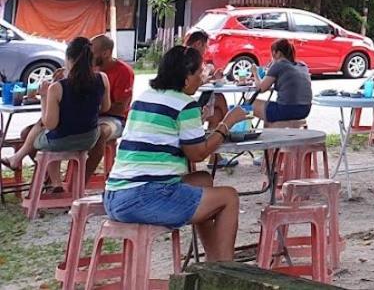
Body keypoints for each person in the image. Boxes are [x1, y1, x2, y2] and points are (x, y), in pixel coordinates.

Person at [104, 46, 248, 262]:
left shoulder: (145, 97)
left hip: (116, 194)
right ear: (186, 77)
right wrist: (226, 123)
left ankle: (214, 260)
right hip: (145, 196)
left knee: (203, 180)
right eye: (199, 73)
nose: (202, 79)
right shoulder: (185, 103)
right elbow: (197, 154)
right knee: (229, 197)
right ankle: (227, 271)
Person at [2, 37, 110, 172]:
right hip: (90, 138)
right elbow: (105, 107)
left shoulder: (57, 87)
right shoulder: (102, 78)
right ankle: (52, 181)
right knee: (45, 128)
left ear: (68, 59)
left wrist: (44, 96)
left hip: (61, 141)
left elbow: (50, 124)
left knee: (43, 127)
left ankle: (20, 160)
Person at [88, 34, 136, 181]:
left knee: (100, 132)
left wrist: (95, 109)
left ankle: (81, 180)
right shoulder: (87, 69)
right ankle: (52, 180)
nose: (88, 56)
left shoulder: (124, 72)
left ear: (106, 53)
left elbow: (121, 108)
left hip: (116, 119)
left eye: (92, 52)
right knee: (31, 132)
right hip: (91, 116)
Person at [251, 39, 312, 126]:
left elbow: (261, 88)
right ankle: (272, 132)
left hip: (287, 109)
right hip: (305, 109)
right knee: (268, 115)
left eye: (272, 53)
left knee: (249, 104)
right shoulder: (302, 65)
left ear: (278, 53)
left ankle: (243, 133)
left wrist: (255, 72)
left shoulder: (279, 64)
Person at [185, 30, 228, 129]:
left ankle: (212, 138)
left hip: (188, 96)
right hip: (185, 99)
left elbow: (196, 80)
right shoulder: (189, 58)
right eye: (205, 46)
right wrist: (208, 70)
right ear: (198, 44)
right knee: (220, 98)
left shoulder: (186, 55)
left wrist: (212, 78)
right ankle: (228, 128)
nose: (206, 50)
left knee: (216, 115)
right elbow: (194, 81)